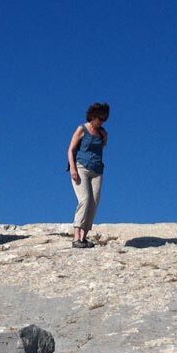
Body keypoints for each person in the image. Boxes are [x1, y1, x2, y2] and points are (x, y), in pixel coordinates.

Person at [67, 102, 110, 248]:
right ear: (94, 116)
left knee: (94, 201)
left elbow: (101, 149)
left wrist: (104, 137)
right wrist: (73, 169)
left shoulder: (103, 133)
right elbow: (71, 150)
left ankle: (84, 237)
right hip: (81, 168)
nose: (102, 122)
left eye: (104, 119)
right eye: (100, 118)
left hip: (97, 170)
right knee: (84, 199)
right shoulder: (82, 129)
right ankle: (76, 237)